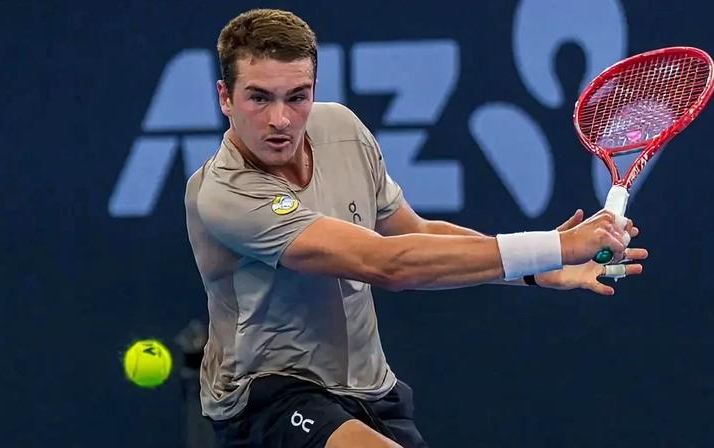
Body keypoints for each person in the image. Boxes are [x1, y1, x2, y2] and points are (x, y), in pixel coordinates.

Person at [185, 8, 648, 448]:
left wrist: (543, 266)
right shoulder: (224, 193)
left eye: (297, 96)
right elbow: (387, 264)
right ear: (225, 97)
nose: (280, 119)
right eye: (258, 97)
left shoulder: (341, 128)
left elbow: (411, 231)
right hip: (268, 395)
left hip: (368, 385)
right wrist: (557, 244)